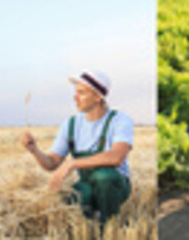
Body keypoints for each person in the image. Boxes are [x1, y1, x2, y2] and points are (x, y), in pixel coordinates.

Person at [18, 71, 135, 222]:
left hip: (116, 185)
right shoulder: (71, 124)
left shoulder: (120, 120)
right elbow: (52, 163)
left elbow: (116, 157)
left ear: (98, 97)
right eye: (75, 92)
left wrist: (71, 164)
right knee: (73, 200)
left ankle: (109, 223)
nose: (75, 97)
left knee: (105, 177)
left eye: (81, 93)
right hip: (86, 184)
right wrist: (34, 150)